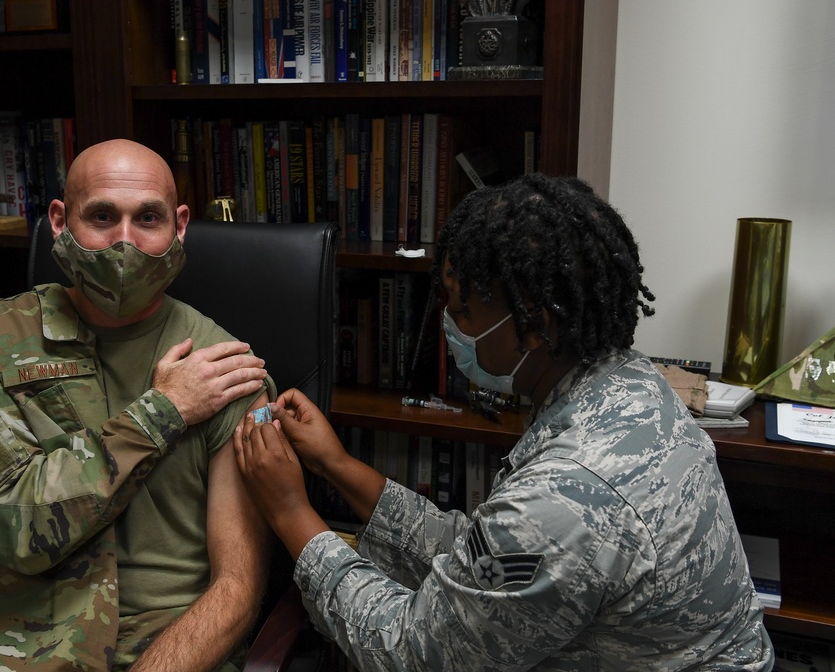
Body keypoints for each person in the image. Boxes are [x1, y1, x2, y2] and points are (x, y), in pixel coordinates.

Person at [233, 174, 775, 671]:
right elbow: (482, 559)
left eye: (464, 311)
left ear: (535, 327)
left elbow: (411, 652)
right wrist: (337, 465)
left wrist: (289, 511)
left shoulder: (568, 498)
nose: (449, 324)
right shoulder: (628, 382)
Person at [0, 139, 275, 672]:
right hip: (17, 626)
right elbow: (10, 530)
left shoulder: (227, 371)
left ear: (179, 227)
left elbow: (237, 589)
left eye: (148, 218)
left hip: (162, 643)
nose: (124, 243)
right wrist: (164, 410)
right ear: (62, 222)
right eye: (103, 216)